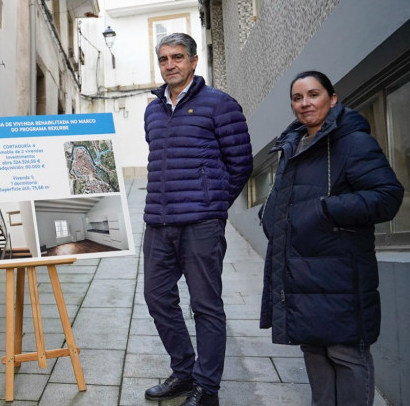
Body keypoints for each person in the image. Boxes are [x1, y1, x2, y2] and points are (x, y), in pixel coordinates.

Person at [260, 71, 402, 406]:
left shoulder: (352, 141)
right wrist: (269, 217)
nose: (305, 104)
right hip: (300, 269)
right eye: (297, 98)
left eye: (313, 94)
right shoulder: (293, 144)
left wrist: (325, 209)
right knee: (314, 350)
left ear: (332, 98)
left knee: (345, 353)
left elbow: (387, 196)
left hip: (340, 271)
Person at [142, 33, 252, 406]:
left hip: (200, 225)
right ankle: (184, 371)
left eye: (177, 57)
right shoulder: (152, 110)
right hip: (158, 222)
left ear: (193, 61)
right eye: (163, 59)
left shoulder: (219, 105)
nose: (169, 64)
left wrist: (213, 205)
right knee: (157, 297)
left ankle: (207, 388)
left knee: (205, 305)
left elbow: (240, 164)